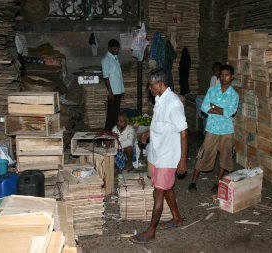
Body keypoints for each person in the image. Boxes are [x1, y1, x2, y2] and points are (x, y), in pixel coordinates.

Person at [130, 69, 188, 244]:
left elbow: (184, 133)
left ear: (160, 84)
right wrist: (148, 132)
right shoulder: (159, 100)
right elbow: (162, 125)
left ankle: (151, 231)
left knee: (158, 192)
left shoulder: (173, 104)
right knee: (167, 188)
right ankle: (177, 218)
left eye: (150, 84)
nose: (148, 88)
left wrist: (183, 159)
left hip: (167, 156)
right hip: (157, 153)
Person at [188, 64, 239, 193]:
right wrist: (220, 110)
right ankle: (193, 181)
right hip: (212, 128)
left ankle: (218, 182)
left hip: (227, 131)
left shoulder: (234, 95)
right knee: (204, 153)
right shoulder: (212, 90)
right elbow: (204, 107)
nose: (223, 77)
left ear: (232, 77)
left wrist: (214, 107)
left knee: (225, 156)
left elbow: (230, 112)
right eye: (221, 75)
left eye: (226, 75)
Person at [101, 39, 124, 131]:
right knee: (111, 115)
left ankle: (113, 133)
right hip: (113, 92)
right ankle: (108, 133)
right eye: (115, 49)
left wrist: (122, 90)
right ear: (109, 48)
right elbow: (106, 77)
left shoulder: (115, 57)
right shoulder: (106, 60)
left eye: (118, 49)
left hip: (118, 90)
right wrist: (110, 92)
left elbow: (118, 75)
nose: (117, 51)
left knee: (115, 114)